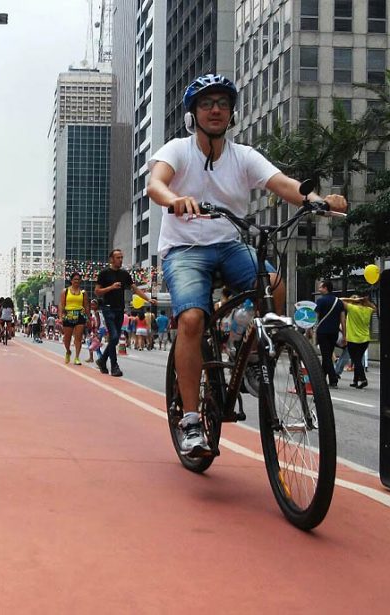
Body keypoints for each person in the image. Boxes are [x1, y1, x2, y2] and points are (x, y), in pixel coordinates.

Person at [145, 73, 347, 456]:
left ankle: (253, 353)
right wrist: (174, 199)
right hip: (185, 249)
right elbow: (156, 183)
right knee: (191, 319)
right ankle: (190, 421)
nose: (216, 109)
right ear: (193, 115)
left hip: (228, 243)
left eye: (222, 103)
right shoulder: (177, 150)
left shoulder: (244, 156)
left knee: (274, 283)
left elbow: (285, 184)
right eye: (207, 104)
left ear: (232, 112)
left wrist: (319, 201)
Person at [95, 249, 156, 377]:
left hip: (119, 309)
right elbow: (97, 292)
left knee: (114, 339)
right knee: (115, 337)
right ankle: (114, 366)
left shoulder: (124, 274)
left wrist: (148, 299)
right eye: (118, 257)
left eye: (122, 257)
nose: (120, 260)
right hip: (108, 308)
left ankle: (102, 360)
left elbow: (135, 289)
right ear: (111, 259)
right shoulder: (104, 273)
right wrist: (111, 287)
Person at [314, 281, 346, 388]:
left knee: (326, 356)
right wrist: (345, 335)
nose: (319, 289)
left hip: (322, 332)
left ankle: (333, 379)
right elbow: (343, 320)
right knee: (327, 355)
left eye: (320, 287)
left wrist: (311, 330)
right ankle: (322, 379)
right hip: (334, 332)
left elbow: (315, 317)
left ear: (325, 288)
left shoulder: (320, 301)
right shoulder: (339, 302)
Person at [343, 295, 376, 389]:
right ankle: (355, 380)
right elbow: (375, 308)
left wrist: (352, 299)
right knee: (357, 359)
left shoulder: (352, 308)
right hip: (365, 339)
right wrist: (366, 301)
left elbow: (339, 300)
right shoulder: (368, 310)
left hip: (353, 339)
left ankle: (363, 379)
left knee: (356, 360)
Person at [59, 272, 90, 365]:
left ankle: (77, 357)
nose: (76, 281)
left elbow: (86, 305)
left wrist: (88, 318)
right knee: (67, 338)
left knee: (78, 337)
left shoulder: (83, 293)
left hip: (80, 314)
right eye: (75, 279)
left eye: (78, 279)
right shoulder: (65, 291)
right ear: (71, 281)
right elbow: (61, 304)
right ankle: (68, 351)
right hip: (68, 314)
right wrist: (61, 316)